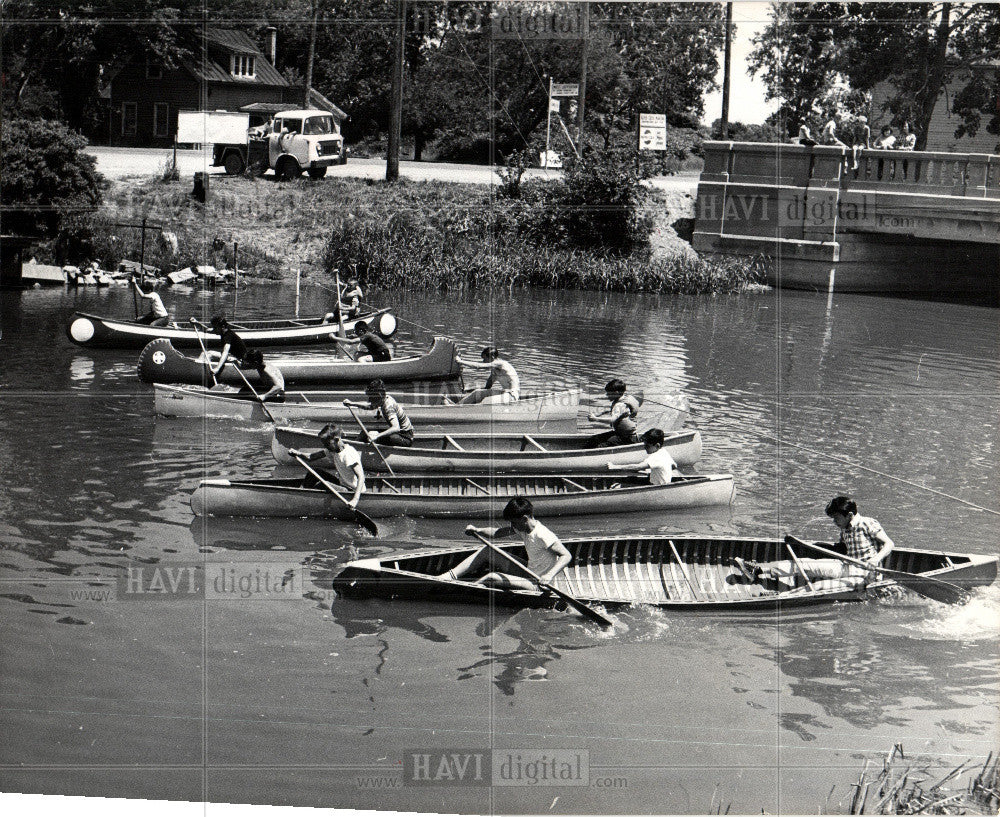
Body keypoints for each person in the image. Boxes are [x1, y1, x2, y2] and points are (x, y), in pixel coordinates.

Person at [733, 496, 895, 589]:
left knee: (819, 588)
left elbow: (889, 544)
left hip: (866, 575)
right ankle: (758, 569)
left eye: (837, 518)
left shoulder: (868, 523)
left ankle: (783, 598)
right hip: (846, 566)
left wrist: (875, 560)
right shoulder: (845, 528)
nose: (835, 522)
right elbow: (841, 548)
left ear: (850, 515)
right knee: (802, 564)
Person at [441, 497, 572, 591]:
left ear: (525, 519)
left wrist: (548, 576)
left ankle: (463, 591)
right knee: (487, 551)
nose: (512, 526)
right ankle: (448, 577)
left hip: (538, 584)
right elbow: (496, 533)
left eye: (513, 523)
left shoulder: (543, 535)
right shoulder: (523, 527)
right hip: (528, 571)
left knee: (492, 577)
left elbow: (566, 555)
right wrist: (477, 530)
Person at [287, 423, 365, 509]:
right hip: (342, 484)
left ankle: (305, 502)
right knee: (316, 472)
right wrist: (298, 453)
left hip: (352, 491)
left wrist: (355, 500)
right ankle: (300, 494)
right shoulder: (333, 450)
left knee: (324, 484)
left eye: (327, 444)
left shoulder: (349, 454)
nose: (325, 446)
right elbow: (311, 457)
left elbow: (361, 477)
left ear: (336, 440)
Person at [342, 379, 414, 447]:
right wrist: (352, 403)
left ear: (378, 396)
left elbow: (396, 428)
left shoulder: (388, 406)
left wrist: (377, 436)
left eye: (371, 397)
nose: (369, 400)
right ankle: (355, 448)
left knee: (372, 435)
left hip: (405, 438)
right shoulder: (384, 399)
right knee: (365, 433)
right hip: (399, 434)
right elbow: (369, 406)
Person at [607, 428, 676, 484]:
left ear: (657, 445)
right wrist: (655, 472)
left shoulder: (656, 457)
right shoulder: (664, 452)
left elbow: (637, 467)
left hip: (657, 487)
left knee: (620, 482)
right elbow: (674, 466)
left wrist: (614, 467)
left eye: (647, 446)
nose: (645, 447)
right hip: (662, 483)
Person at [456, 347, 520, 404]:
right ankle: (457, 406)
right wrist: (470, 391)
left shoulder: (500, 364)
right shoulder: (494, 371)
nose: (483, 361)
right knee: (477, 393)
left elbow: (478, 366)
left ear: (492, 357)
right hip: (504, 392)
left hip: (512, 395)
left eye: (484, 359)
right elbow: (488, 387)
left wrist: (460, 361)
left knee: (487, 401)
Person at [588, 379, 641, 446]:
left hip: (626, 438)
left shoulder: (620, 405)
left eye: (608, 393)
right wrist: (600, 413)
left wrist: (595, 418)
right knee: (595, 439)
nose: (607, 395)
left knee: (599, 444)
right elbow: (620, 411)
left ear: (616, 393)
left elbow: (612, 419)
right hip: (629, 435)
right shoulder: (628, 398)